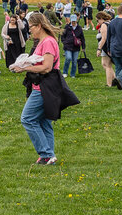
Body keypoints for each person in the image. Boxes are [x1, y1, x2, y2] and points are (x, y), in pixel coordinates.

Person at [16, 13, 79, 166]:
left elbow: (47, 67)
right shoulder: (42, 41)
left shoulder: (48, 42)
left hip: (44, 87)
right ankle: (49, 157)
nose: (29, 30)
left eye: (31, 27)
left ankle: (46, 154)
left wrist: (24, 68)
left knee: (27, 118)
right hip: (41, 85)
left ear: (39, 26)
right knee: (43, 121)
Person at [95, 12, 116, 87]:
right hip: (110, 46)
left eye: (97, 20)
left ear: (101, 18)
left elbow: (104, 38)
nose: (97, 22)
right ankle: (115, 80)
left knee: (107, 65)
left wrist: (99, 49)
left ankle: (109, 83)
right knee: (105, 64)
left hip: (105, 47)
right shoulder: (110, 23)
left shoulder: (104, 25)